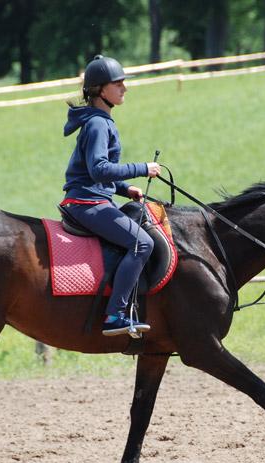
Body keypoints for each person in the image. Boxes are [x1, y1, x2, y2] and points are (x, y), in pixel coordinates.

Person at [61, 55, 160, 336]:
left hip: (91, 196)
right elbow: (99, 168)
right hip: (86, 203)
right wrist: (142, 168)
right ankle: (115, 315)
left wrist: (123, 189)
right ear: (100, 90)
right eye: (118, 84)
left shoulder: (99, 120)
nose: (125, 88)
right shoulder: (97, 124)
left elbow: (92, 172)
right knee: (143, 244)